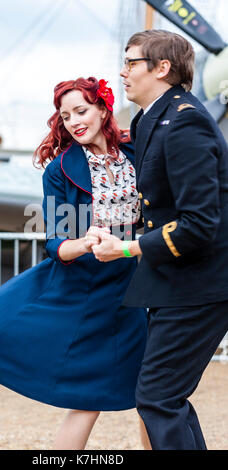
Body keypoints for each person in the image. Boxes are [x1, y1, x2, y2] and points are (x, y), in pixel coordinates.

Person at [0, 77, 148, 450]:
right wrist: (86, 242)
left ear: (103, 109)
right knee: (87, 401)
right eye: (65, 115)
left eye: (81, 111)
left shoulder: (138, 154)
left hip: (135, 288)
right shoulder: (59, 170)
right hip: (86, 292)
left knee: (154, 397)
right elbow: (55, 244)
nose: (73, 121)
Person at [91, 30, 228, 450]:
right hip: (175, 280)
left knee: (158, 397)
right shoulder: (151, 117)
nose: (122, 71)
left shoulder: (184, 120)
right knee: (165, 397)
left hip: (199, 284)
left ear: (162, 68)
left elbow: (200, 223)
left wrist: (128, 248)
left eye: (131, 62)